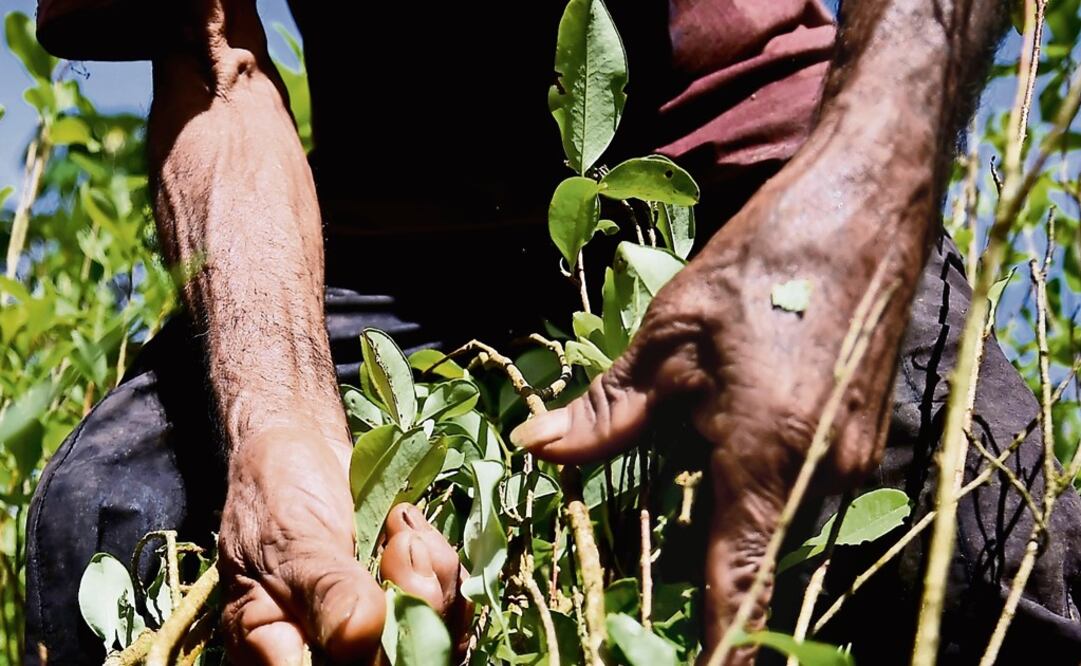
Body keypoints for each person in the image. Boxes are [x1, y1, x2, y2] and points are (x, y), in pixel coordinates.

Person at [22, 0, 1081, 664]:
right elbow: (206, 57)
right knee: (109, 522)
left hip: (768, 193)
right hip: (375, 244)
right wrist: (275, 416)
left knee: (984, 537)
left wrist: (850, 201)